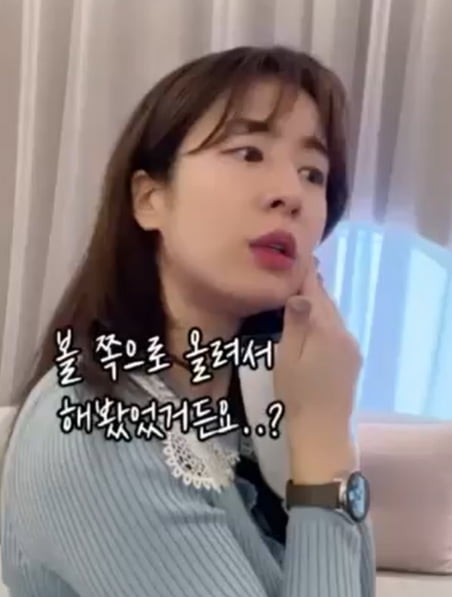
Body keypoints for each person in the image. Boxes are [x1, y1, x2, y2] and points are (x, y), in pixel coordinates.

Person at [0, 45, 376, 596]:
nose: (291, 194)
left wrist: (323, 428)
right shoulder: (93, 424)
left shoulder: (262, 404)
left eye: (313, 173)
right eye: (249, 153)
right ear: (149, 199)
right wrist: (323, 444)